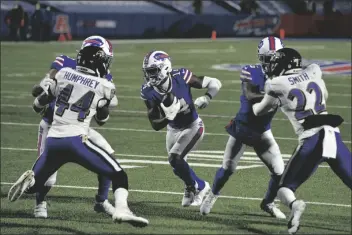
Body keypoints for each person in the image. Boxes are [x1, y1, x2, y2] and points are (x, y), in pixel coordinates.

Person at [8, 41, 149, 227]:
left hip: (54, 139)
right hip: (76, 140)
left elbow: (38, 105)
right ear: (97, 62)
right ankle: (122, 209)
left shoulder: (63, 74)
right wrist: (102, 105)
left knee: (38, 184)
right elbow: (102, 119)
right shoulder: (104, 85)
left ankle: (30, 181)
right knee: (119, 174)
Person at [252, 47, 351, 234]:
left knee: (284, 189)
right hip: (333, 135)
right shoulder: (314, 71)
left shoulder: (275, 84)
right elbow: (312, 81)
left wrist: (254, 101)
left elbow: (259, 110)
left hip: (311, 138)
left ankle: (295, 205)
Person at [30, 36, 117, 218]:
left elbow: (102, 119)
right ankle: (40, 201)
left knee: (107, 154)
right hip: (53, 125)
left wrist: (104, 106)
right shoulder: (65, 64)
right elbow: (41, 87)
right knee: (48, 177)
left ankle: (101, 201)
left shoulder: (104, 76)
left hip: (79, 128)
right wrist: (43, 85)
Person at [200, 37, 286, 219]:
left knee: (280, 172)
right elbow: (250, 94)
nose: (271, 62)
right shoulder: (251, 71)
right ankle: (212, 195)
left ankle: (268, 203)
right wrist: (275, 95)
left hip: (263, 133)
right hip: (242, 130)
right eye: (267, 58)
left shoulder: (285, 77)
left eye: (274, 58)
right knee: (228, 169)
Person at [140, 50, 222, 206]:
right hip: (172, 128)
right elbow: (155, 124)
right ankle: (193, 186)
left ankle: (199, 186)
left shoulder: (182, 76)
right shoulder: (148, 91)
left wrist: (207, 97)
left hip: (193, 125)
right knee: (176, 166)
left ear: (164, 68)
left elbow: (215, 83)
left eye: (153, 71)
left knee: (175, 158)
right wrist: (168, 117)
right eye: (147, 72)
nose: (150, 76)